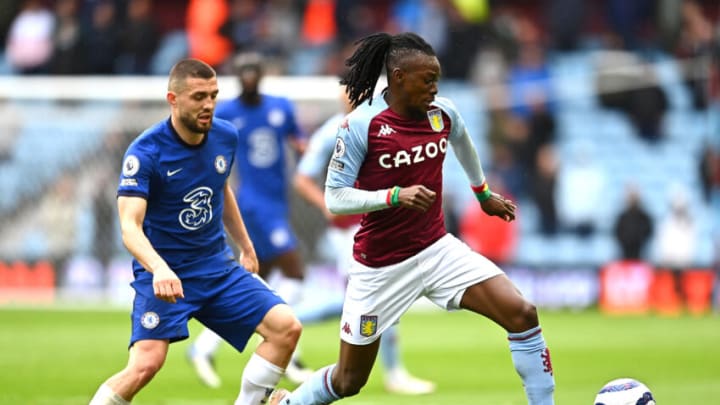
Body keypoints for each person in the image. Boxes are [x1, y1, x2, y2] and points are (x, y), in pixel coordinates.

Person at [269, 32, 555, 405]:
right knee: (349, 380)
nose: (435, 88)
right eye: (428, 80)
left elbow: (464, 142)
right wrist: (394, 196)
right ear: (400, 77)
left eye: (436, 79)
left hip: (437, 249)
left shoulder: (443, 114)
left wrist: (482, 193)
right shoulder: (361, 124)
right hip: (379, 267)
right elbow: (335, 198)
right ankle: (288, 403)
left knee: (522, 313)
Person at [88, 58, 302, 405]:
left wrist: (245, 246)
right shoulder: (145, 152)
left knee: (286, 328)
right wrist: (158, 268)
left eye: (214, 96)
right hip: (165, 273)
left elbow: (221, 188)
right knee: (145, 365)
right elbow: (129, 227)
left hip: (216, 266)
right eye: (199, 97)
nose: (209, 105)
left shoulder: (225, 135)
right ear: (173, 99)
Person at [291, 85, 436, 395]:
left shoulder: (383, 123)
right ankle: (285, 321)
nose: (353, 98)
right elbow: (302, 178)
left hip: (378, 223)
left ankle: (285, 321)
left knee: (372, 299)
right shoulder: (333, 131)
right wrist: (326, 204)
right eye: (349, 94)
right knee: (371, 299)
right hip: (349, 231)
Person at [187, 52, 311, 388]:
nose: (249, 78)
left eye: (254, 72)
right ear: (237, 77)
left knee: (261, 275)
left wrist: (314, 154)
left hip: (277, 200)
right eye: (243, 73)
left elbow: (299, 141)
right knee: (295, 270)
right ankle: (283, 339)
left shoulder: (281, 107)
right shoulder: (226, 112)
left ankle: (204, 347)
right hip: (254, 204)